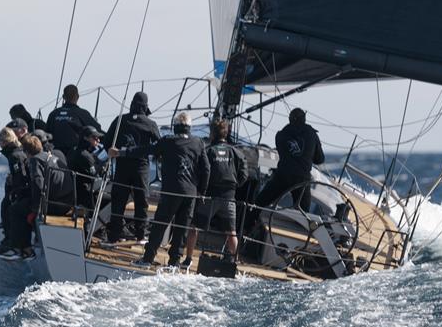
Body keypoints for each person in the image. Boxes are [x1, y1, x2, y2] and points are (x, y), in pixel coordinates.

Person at [109, 112, 209, 267]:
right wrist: (201, 192)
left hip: (172, 192)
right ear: (189, 127)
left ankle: (148, 259)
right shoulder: (199, 142)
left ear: (175, 127)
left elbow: (146, 150)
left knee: (159, 226)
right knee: (181, 229)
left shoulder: (168, 141)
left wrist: (121, 152)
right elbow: (206, 169)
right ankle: (174, 263)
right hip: (190, 194)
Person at [184, 119, 247, 269]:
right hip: (229, 197)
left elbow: (201, 172)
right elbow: (244, 173)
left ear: (212, 133)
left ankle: (188, 259)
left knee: (194, 227)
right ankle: (235, 263)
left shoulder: (208, 151)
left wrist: (200, 190)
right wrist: (236, 185)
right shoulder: (236, 152)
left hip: (210, 196)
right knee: (231, 232)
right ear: (227, 133)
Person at [103, 91, 161, 243]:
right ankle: (141, 236)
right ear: (145, 107)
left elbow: (107, 142)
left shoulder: (120, 120)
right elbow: (159, 147)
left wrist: (111, 151)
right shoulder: (150, 124)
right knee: (141, 201)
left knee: (118, 201)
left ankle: (113, 236)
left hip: (122, 166)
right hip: (141, 168)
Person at [254, 108, 324, 213]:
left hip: (283, 175)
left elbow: (282, 152)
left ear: (290, 119)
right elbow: (320, 159)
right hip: (302, 178)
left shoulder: (281, 135)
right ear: (304, 119)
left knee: (260, 203)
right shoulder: (312, 134)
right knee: (304, 212)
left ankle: (249, 223)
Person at [0, 127, 29, 255]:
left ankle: (13, 243)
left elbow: (21, 177)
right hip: (23, 188)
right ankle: (7, 235)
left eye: (0, 139)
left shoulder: (14, 155)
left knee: (9, 206)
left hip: (25, 191)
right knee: (5, 203)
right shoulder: (14, 152)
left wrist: (15, 192)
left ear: (4, 141)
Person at [46, 84, 102, 152]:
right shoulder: (83, 113)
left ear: (63, 97)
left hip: (56, 154)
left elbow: (46, 134)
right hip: (76, 156)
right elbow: (97, 130)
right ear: (78, 97)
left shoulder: (53, 114)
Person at [67, 125, 107, 210]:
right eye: (95, 138)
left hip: (74, 193)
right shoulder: (86, 156)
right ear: (86, 138)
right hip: (85, 196)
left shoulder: (73, 151)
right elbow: (95, 179)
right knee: (112, 200)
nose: (98, 140)